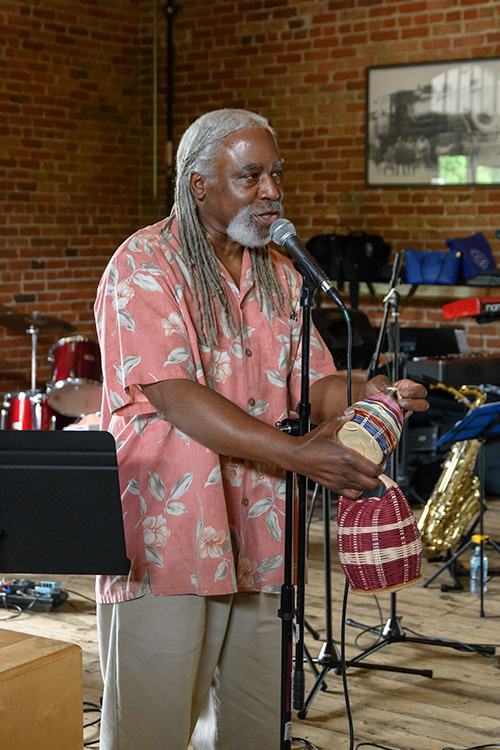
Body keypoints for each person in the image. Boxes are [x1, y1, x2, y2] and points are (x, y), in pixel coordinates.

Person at [94, 108, 428, 750]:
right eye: (251, 176)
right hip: (172, 534)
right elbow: (176, 397)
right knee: (152, 727)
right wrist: (301, 455)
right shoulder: (144, 263)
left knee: (252, 726)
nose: (271, 190)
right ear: (198, 184)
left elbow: (316, 383)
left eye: (275, 174)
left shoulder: (280, 272)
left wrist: (370, 392)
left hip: (265, 530)